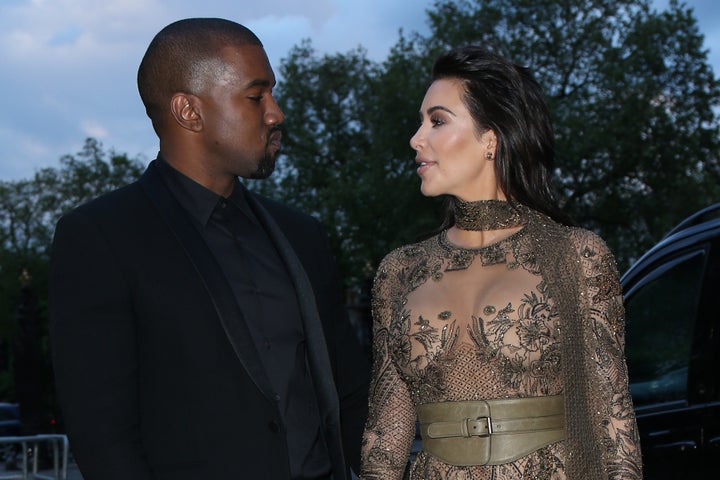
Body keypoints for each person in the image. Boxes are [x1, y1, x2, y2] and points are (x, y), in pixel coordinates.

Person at [49, 18, 369, 480]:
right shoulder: (101, 238)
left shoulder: (303, 237)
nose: (276, 113)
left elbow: (351, 393)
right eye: (256, 96)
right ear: (189, 111)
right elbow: (104, 436)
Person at [360, 46, 642, 479]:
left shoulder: (576, 256)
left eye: (436, 121)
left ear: (490, 138)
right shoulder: (400, 271)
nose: (416, 139)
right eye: (421, 124)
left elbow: (614, 422)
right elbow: (385, 437)